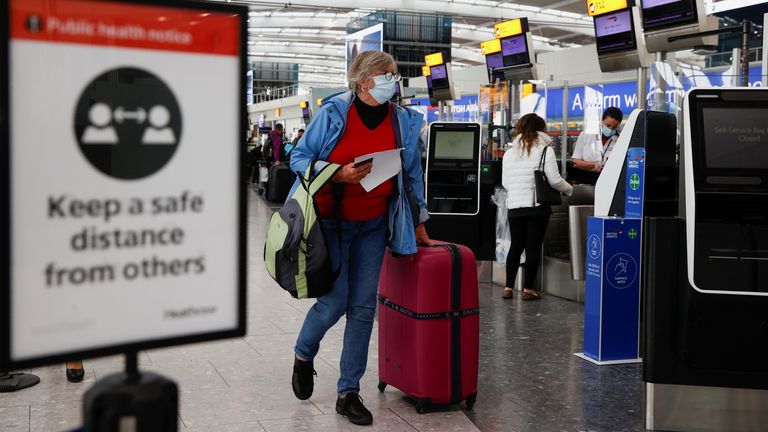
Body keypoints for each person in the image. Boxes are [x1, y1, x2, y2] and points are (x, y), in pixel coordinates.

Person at [288, 50, 432, 426]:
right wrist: (337, 174)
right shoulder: (335, 112)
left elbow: (412, 175)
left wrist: (419, 223)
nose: (393, 81)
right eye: (388, 74)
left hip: (373, 224)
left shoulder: (401, 121)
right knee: (334, 303)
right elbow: (299, 157)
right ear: (365, 80)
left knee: (364, 308)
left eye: (395, 74)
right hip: (332, 223)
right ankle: (304, 354)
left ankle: (348, 391)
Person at [501, 113, 573, 300]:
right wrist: (570, 189)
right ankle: (528, 289)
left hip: (515, 206)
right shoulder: (544, 150)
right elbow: (555, 181)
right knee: (532, 246)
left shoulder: (509, 153)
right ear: (541, 130)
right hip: (536, 206)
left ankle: (508, 287)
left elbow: (505, 183)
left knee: (516, 246)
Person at [570, 107, 623, 184]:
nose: (611, 129)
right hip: (585, 180)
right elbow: (576, 161)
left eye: (614, 127)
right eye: (608, 125)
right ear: (601, 120)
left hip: (608, 181)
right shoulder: (585, 134)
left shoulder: (619, 140)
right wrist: (593, 165)